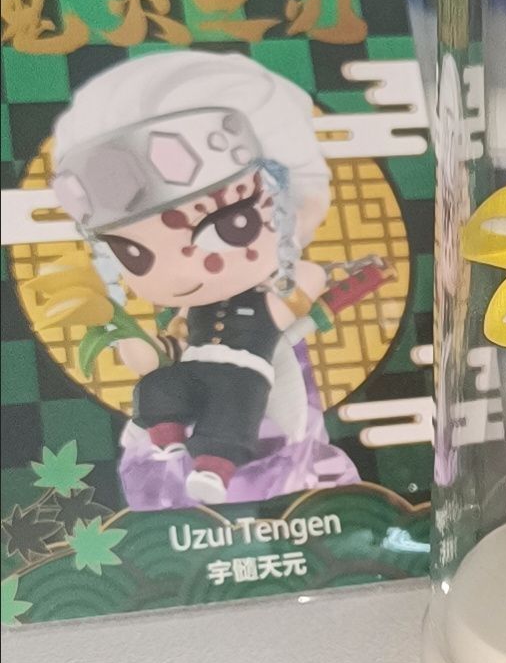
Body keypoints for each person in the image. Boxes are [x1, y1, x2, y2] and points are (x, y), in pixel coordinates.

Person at [50, 51, 374, 509]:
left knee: (237, 420)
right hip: (185, 437)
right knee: (159, 390)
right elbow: (164, 352)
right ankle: (166, 436)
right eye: (134, 254)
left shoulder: (274, 304)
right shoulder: (185, 315)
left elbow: (304, 294)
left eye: (232, 225)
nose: (183, 270)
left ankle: (215, 465)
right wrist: (139, 346)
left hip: (260, 411)